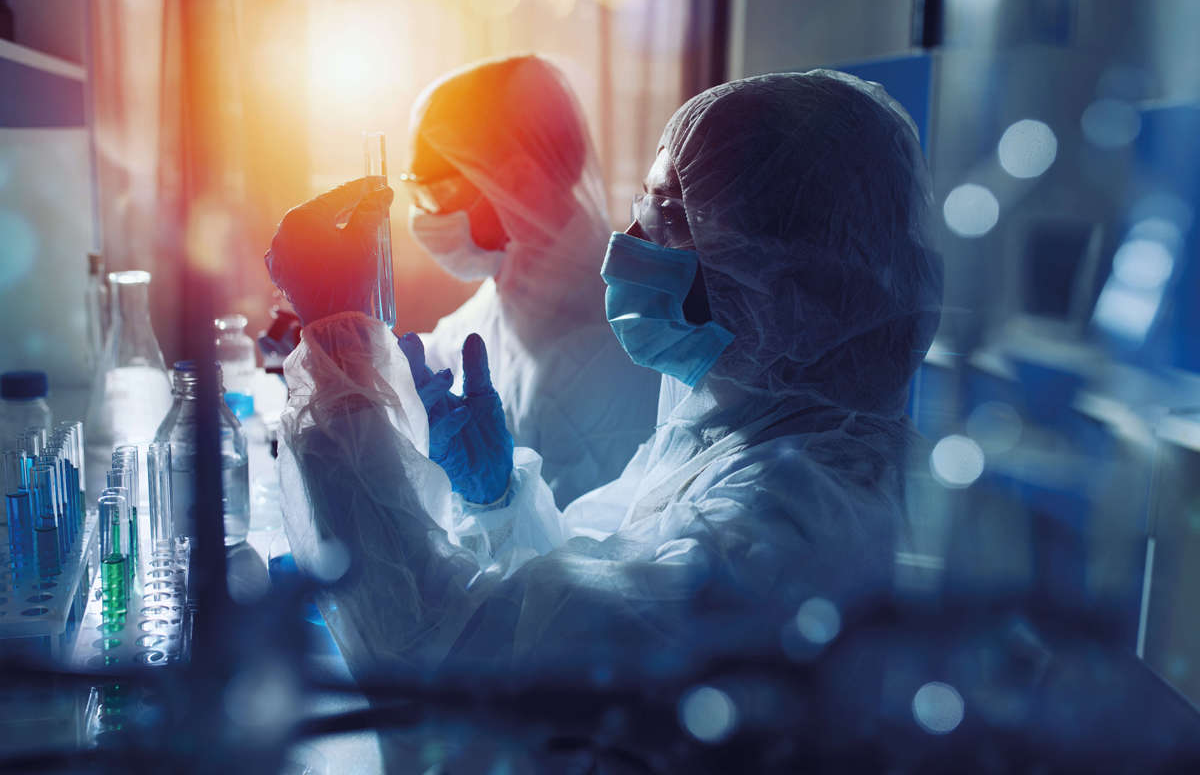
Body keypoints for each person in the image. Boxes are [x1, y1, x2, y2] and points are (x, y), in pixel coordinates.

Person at [270, 69, 943, 683]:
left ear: (791, 280)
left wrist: (337, 365)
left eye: (669, 216)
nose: (626, 240)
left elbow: (456, 656)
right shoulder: (737, 444)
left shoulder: (787, 530)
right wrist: (499, 499)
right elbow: (584, 585)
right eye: (641, 205)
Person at [268, 54, 659, 508]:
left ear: (518, 181)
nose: (420, 213)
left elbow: (563, 564)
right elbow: (441, 358)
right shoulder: (514, 289)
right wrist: (339, 349)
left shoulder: (609, 353)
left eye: (433, 190)